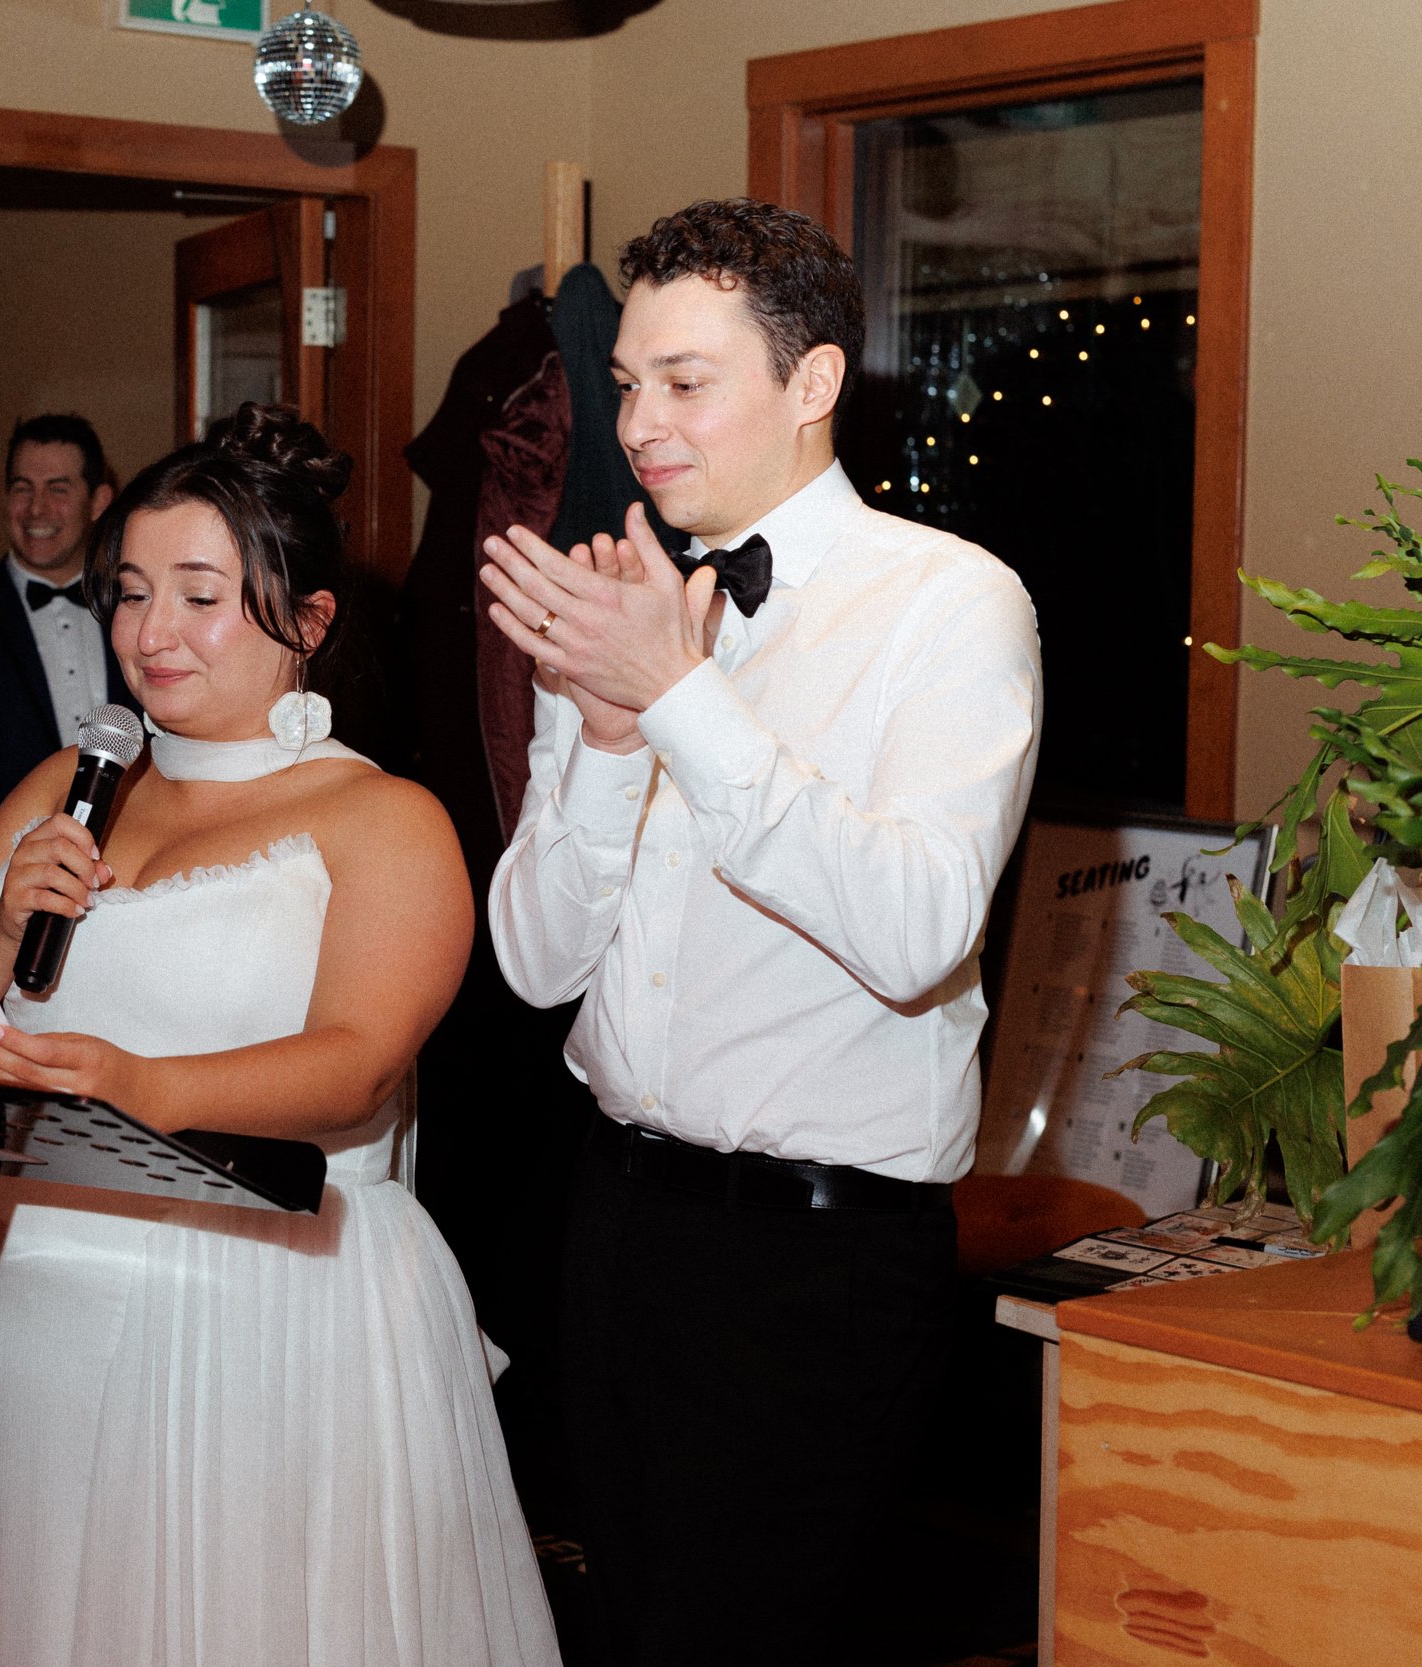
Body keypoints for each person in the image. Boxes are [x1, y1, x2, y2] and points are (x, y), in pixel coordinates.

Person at [0, 404, 563, 1667]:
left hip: (263, 1291)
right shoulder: (62, 782)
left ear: (308, 622)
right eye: (131, 592)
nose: (150, 632)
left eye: (200, 594)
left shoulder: (384, 816)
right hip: (33, 1279)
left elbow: (357, 1057)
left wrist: (141, 1083)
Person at [477, 199, 1043, 1664]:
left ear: (812, 383)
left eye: (686, 380)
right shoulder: (624, 603)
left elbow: (916, 927)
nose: (643, 423)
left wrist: (678, 699)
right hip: (610, 1224)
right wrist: (603, 736)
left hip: (817, 1262)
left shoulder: (950, 605)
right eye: (627, 384)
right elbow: (537, 963)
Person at [0, 414, 140, 877]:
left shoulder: (138, 616)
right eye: (21, 488)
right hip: (0, 885)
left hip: (130, 878)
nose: (36, 510)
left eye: (58, 488)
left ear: (98, 502)